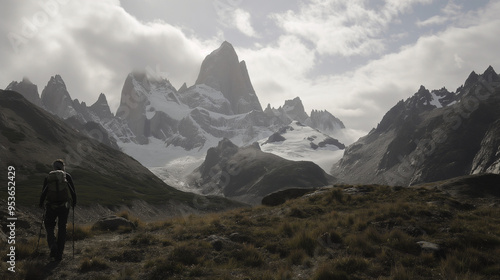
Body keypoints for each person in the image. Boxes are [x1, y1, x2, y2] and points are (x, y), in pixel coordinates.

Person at [39, 159, 77, 261]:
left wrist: (41, 203)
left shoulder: (49, 177)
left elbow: (44, 192)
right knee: (62, 228)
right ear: (63, 167)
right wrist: (74, 203)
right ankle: (59, 254)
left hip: (51, 206)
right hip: (64, 206)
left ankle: (52, 245)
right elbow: (73, 192)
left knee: (49, 225)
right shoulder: (66, 176)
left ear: (54, 167)